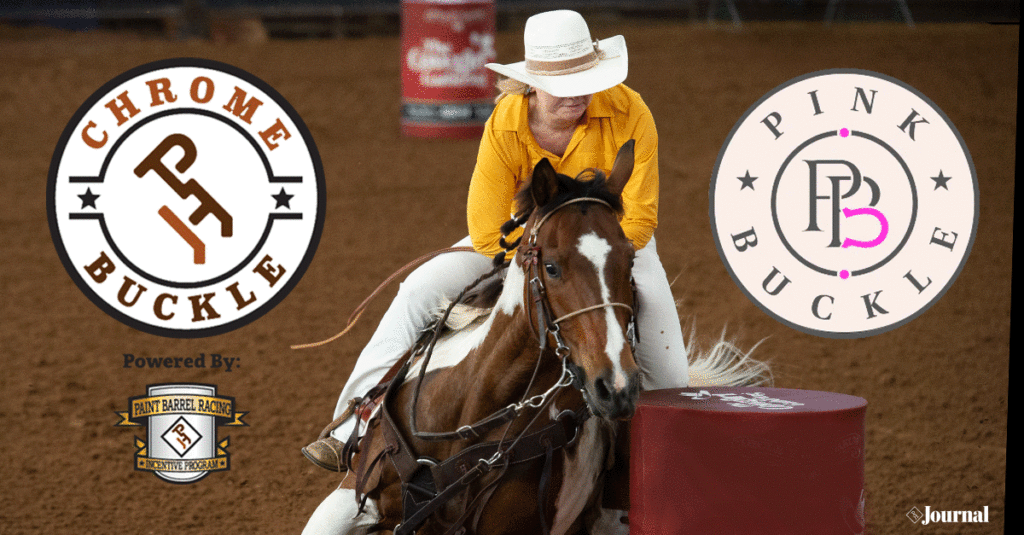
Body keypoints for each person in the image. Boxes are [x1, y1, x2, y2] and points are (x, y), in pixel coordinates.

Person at [302, 10, 688, 533]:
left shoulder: (630, 111)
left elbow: (639, 216)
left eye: (586, 84)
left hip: (607, 244)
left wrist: (581, 261)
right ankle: (352, 424)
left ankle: (636, 498)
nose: (578, 96)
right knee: (418, 288)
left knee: (669, 374)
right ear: (533, 83)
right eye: (563, 86)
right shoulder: (506, 120)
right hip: (521, 243)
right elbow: (485, 228)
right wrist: (539, 265)